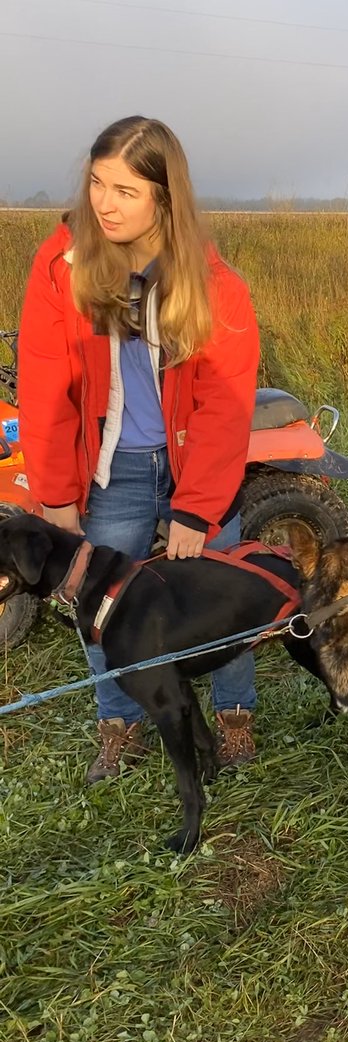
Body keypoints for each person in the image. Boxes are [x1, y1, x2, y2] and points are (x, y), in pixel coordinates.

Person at [18, 116, 261, 783]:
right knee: (98, 607)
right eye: (98, 182)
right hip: (111, 471)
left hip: (193, 469)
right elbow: (45, 386)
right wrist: (57, 495)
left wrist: (197, 509)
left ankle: (234, 717)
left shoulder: (213, 283)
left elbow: (226, 402)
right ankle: (118, 724)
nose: (104, 201)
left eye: (125, 189)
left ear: (163, 195)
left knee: (221, 593)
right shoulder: (60, 266)